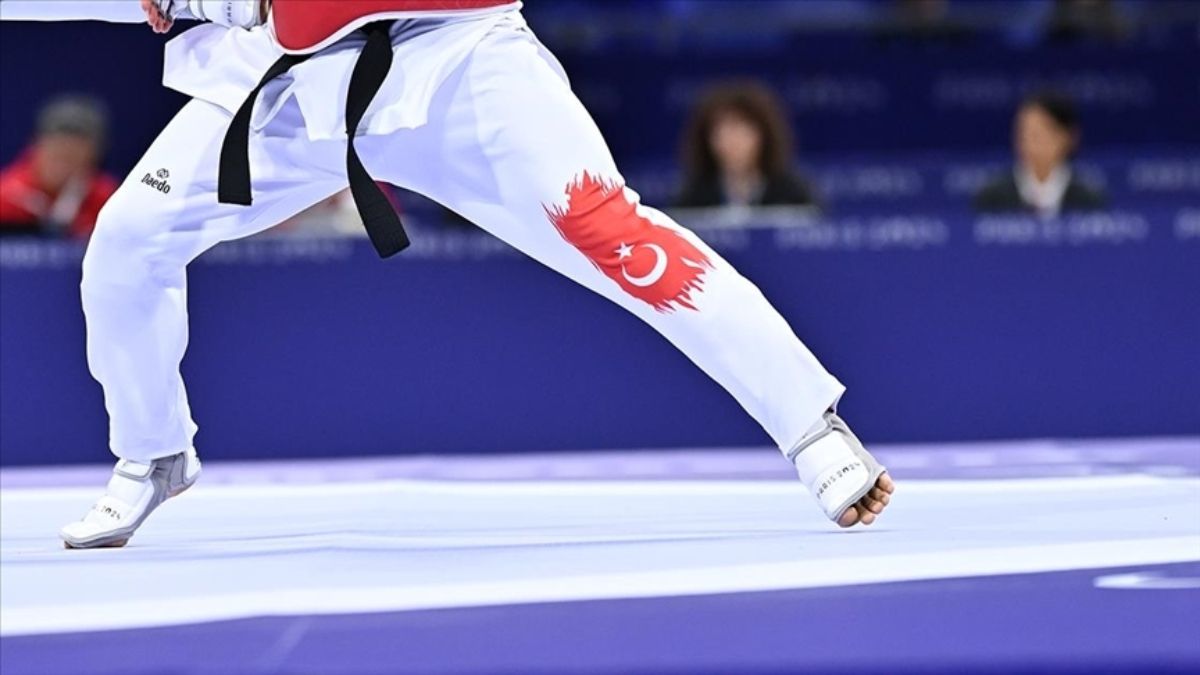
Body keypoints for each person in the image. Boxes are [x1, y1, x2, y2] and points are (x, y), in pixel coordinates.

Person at [1, 0, 893, 549]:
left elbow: (303, 8)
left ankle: (808, 425)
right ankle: (154, 449)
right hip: (294, 83)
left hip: (464, 66)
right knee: (128, 239)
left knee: (615, 234)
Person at [676, 81, 819, 209]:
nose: (733, 141)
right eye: (722, 131)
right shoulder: (689, 198)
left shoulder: (794, 194)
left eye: (741, 130)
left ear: (763, 135)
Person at [0, 95, 118, 238]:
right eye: (55, 150)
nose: (64, 150)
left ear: (94, 155)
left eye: (73, 154)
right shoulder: (6, 194)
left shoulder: (108, 200)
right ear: (36, 145)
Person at [974, 91, 1107, 217]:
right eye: (1022, 134)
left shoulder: (1089, 200)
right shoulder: (991, 198)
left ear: (1066, 137)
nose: (1027, 143)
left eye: (1037, 135)